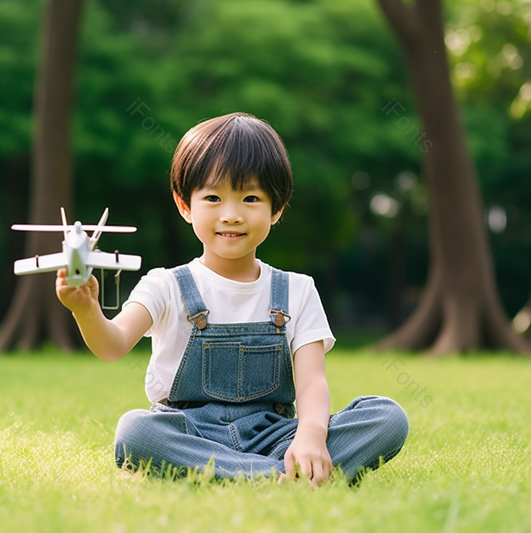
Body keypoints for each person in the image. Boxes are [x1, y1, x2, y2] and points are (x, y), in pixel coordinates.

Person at [55, 112, 408, 486]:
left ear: (277, 208)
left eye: (251, 197)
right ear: (184, 204)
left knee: (387, 416)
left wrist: (310, 437)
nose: (231, 215)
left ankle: (277, 469)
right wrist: (86, 309)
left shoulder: (297, 290)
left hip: (276, 436)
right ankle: (279, 479)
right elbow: (113, 345)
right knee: (136, 432)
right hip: (190, 435)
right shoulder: (165, 285)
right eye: (213, 197)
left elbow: (311, 383)